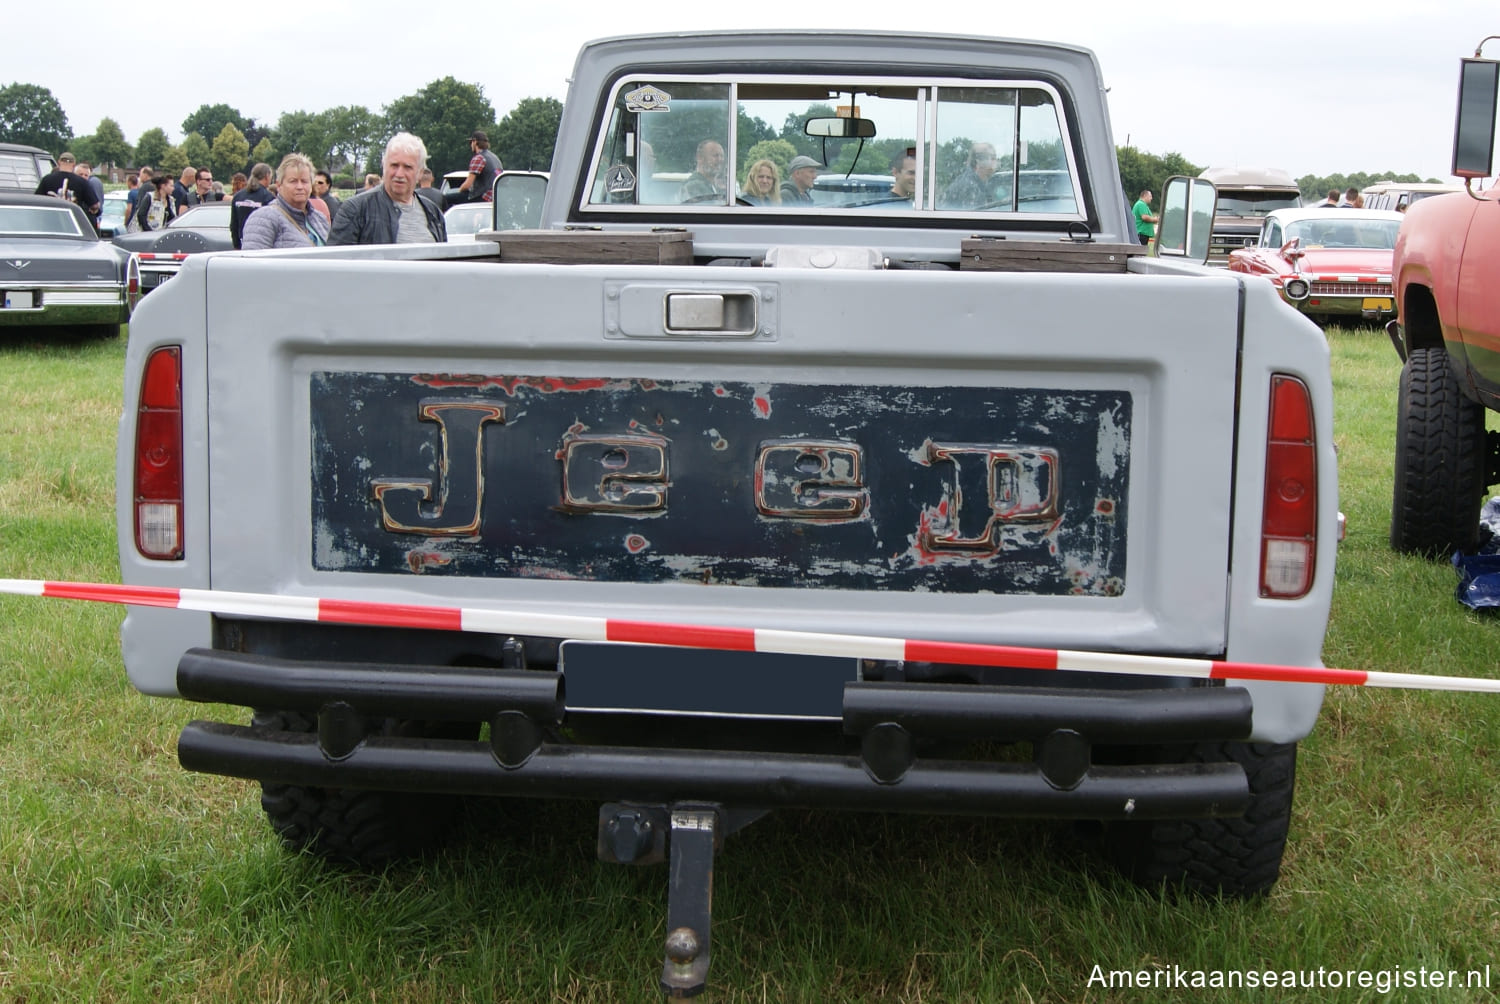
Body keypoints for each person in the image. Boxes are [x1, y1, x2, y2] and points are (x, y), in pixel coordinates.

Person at [328, 132, 447, 245]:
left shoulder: (433, 214)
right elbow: (335, 264)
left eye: (407, 167)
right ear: (384, 166)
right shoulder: (355, 210)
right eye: (394, 165)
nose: (399, 174)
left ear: (420, 173)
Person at [239, 153, 330, 250]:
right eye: (293, 181)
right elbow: (253, 262)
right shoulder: (263, 219)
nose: (300, 187)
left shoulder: (320, 219)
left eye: (304, 181)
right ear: (279, 185)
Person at [34, 153, 101, 218]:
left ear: (59, 162)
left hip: (51, 219)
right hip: (73, 220)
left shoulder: (47, 179)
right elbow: (95, 205)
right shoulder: (82, 182)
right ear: (74, 164)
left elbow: (37, 200)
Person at [939, 142, 1001, 209]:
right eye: (993, 158)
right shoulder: (970, 188)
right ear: (979, 161)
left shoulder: (973, 182)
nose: (997, 162)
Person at [229, 162, 276, 249]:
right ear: (267, 176)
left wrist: (236, 246)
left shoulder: (238, 196)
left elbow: (233, 225)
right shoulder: (268, 197)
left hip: (242, 244)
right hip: (262, 246)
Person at [456, 130, 503, 203]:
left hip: (483, 197)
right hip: (496, 197)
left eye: (471, 142)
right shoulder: (495, 158)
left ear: (475, 142)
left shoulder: (479, 158)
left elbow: (468, 184)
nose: (470, 145)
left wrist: (459, 191)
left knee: (447, 198)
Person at [125, 166, 153, 230]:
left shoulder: (144, 187)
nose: (139, 177)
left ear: (145, 174)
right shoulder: (154, 185)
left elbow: (139, 206)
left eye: (140, 174)